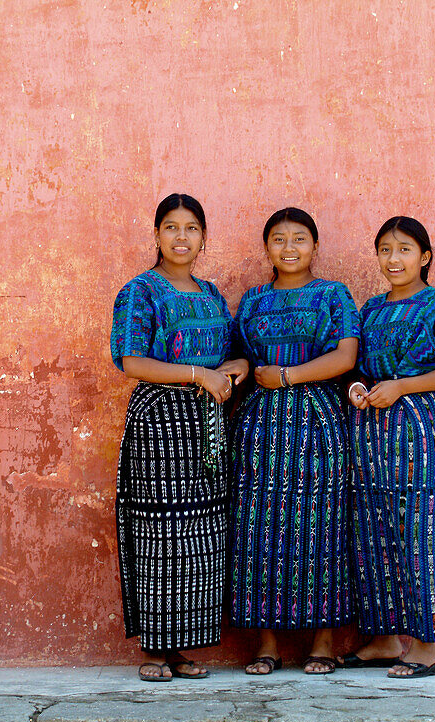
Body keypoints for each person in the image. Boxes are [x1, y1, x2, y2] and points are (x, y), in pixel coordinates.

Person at [110, 193, 248, 681]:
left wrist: (234, 368)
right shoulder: (140, 292)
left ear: (204, 238)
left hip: (207, 427)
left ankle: (182, 649)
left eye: (191, 228)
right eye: (171, 227)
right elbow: (131, 362)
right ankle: (154, 649)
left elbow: (236, 353)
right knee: (159, 530)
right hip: (159, 423)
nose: (182, 237)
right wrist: (197, 375)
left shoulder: (211, 294)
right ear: (156, 235)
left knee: (201, 534)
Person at [229, 207, 359, 675]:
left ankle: (322, 641)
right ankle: (267, 643)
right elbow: (240, 355)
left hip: (318, 423)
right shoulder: (252, 299)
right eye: (279, 239)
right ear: (267, 248)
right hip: (260, 428)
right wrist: (242, 367)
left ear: (315, 246)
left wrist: (288, 376)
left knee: (321, 526)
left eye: (299, 238)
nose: (289, 248)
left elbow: (346, 356)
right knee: (259, 529)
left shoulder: (332, 295)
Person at [343, 216, 435, 679]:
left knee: (416, 531)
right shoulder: (372, 308)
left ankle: (426, 645)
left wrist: (403, 387)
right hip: (368, 426)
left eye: (403, 250)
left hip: (413, 428)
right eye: (384, 250)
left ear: (425, 257)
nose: (393, 259)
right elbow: (356, 366)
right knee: (372, 531)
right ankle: (384, 640)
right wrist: (361, 388)